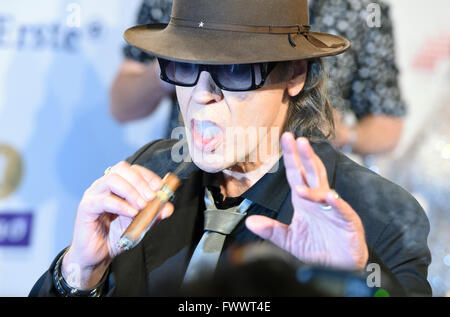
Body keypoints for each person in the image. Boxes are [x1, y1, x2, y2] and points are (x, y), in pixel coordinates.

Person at [30, 0, 431, 297]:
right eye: (185, 66)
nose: (201, 95)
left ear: (295, 74)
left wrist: (358, 279)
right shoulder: (144, 175)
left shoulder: (377, 214)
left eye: (236, 70)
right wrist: (79, 273)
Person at [110, 0, 406, 156]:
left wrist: (345, 135)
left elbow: (388, 122)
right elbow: (121, 105)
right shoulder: (180, 3)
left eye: (237, 72)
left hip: (305, 187)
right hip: (190, 180)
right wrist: (178, 61)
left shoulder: (363, 10)